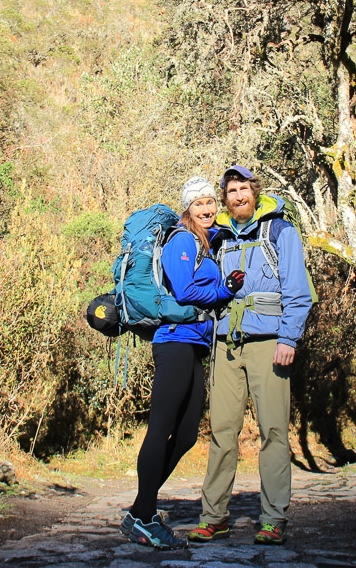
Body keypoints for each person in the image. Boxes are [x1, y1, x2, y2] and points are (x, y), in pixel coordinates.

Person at [189, 165, 313, 546]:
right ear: (225, 198)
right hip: (226, 344)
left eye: (244, 189)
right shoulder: (219, 237)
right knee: (222, 432)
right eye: (232, 191)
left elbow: (298, 291)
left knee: (273, 431)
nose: (239, 196)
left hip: (269, 343)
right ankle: (214, 517)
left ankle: (273, 519)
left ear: (255, 192)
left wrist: (289, 339)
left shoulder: (280, 231)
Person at [119, 176, 245, 550]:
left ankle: (140, 510)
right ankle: (144, 516)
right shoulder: (181, 240)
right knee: (161, 428)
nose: (206, 208)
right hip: (173, 341)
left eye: (210, 202)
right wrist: (225, 290)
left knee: (188, 433)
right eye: (198, 203)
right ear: (187, 208)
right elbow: (186, 289)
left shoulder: (205, 242)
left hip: (194, 344)